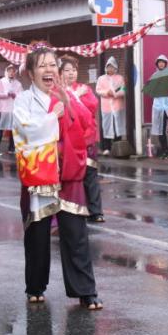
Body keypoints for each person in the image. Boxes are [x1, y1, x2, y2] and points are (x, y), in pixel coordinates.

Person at [13, 47, 103, 310]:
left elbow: (86, 125)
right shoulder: (23, 100)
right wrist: (54, 116)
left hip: (69, 174)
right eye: (42, 66)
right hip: (40, 173)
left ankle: (86, 290)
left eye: (53, 64)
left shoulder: (67, 94)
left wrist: (69, 101)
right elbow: (25, 130)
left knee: (75, 233)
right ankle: (35, 286)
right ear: (31, 73)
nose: (49, 70)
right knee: (38, 235)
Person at [62, 56, 105, 223]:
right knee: (73, 176)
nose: (71, 73)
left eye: (73, 70)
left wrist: (75, 96)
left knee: (90, 174)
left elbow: (91, 107)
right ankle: (77, 209)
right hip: (69, 141)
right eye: (67, 70)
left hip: (87, 138)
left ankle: (96, 210)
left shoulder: (84, 88)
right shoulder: (58, 90)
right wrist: (73, 96)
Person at [95, 56, 125, 154]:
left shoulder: (120, 78)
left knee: (118, 127)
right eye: (108, 67)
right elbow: (98, 90)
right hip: (106, 107)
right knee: (107, 126)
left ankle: (117, 147)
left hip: (117, 107)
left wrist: (116, 94)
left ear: (115, 68)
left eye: (112, 67)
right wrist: (107, 92)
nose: (110, 69)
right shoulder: (101, 79)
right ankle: (106, 148)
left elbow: (124, 89)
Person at [151, 54, 168, 159]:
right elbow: (151, 90)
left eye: (163, 62)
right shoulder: (154, 75)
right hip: (158, 106)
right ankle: (165, 151)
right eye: (159, 62)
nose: (161, 64)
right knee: (160, 130)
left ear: (166, 64)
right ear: (157, 64)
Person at [1, 64, 23, 154]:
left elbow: (21, 96)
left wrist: (15, 95)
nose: (11, 73)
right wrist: (6, 93)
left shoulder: (18, 84)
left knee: (13, 130)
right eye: (9, 71)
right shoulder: (1, 81)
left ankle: (12, 147)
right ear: (6, 71)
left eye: (13, 71)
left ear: (15, 73)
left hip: (13, 109)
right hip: (3, 108)